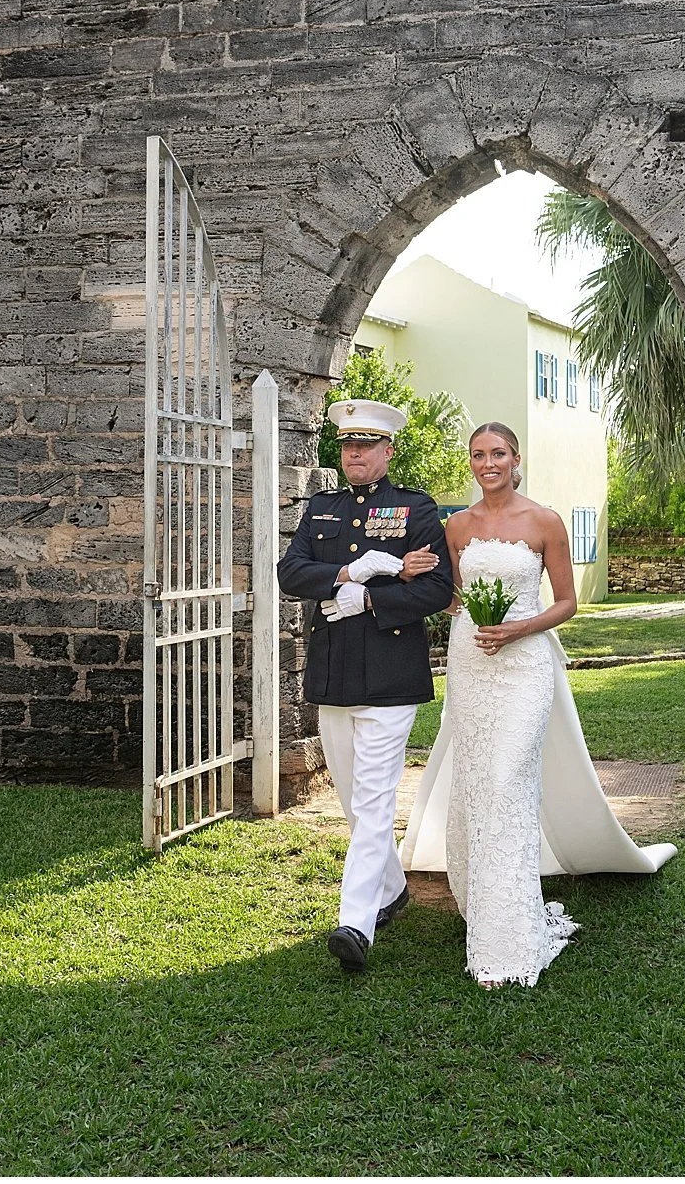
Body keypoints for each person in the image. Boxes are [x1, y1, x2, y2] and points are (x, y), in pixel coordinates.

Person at [398, 421, 676, 988]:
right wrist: (424, 584)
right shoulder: (457, 526)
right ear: (471, 463)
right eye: (478, 455)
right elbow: (452, 597)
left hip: (524, 667)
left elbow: (569, 602)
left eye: (498, 453)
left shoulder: (545, 521)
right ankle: (483, 902)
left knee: (506, 782)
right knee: (478, 780)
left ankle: (512, 932)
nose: (488, 463)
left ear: (516, 458)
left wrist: (520, 627)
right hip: (473, 663)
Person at [276, 397, 455, 974]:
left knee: (375, 799)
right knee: (357, 801)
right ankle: (394, 890)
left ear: (388, 451)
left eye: (367, 445)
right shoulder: (320, 508)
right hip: (332, 674)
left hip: (389, 677)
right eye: (348, 444)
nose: (355, 453)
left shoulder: (416, 510)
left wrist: (370, 599)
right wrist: (355, 572)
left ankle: (355, 921)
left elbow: (434, 592)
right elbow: (290, 574)